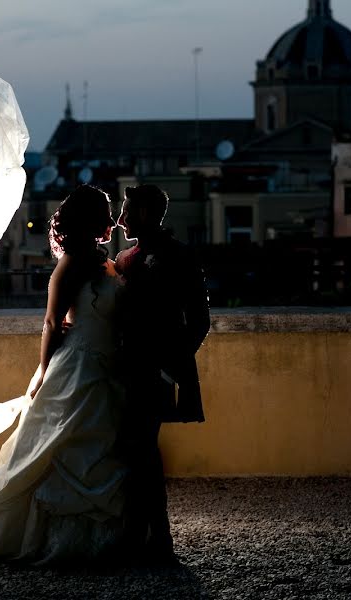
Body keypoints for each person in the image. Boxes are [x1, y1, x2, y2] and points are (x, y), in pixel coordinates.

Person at [0, 185, 128, 564]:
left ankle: (103, 541)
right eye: (105, 210)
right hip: (78, 368)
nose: (110, 216)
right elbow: (52, 322)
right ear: (90, 218)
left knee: (102, 448)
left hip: (108, 365)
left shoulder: (105, 261)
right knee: (63, 448)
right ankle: (51, 540)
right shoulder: (69, 264)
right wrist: (42, 373)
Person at [114, 184, 210, 561]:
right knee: (138, 452)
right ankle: (148, 537)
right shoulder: (123, 258)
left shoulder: (180, 258)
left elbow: (199, 321)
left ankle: (155, 539)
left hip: (155, 373)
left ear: (145, 214)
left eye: (127, 211)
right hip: (123, 370)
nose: (120, 220)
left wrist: (170, 370)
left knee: (144, 452)